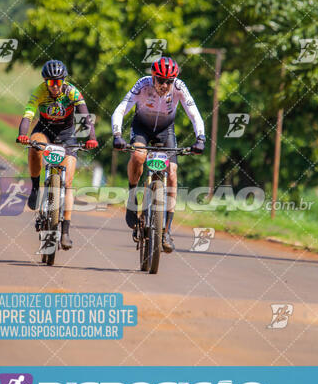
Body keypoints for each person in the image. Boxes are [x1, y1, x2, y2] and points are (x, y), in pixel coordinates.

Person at [111, 56, 205, 252]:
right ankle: (131, 197)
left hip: (165, 131)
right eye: (161, 80)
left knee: (172, 172)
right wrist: (117, 134)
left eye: (168, 81)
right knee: (138, 156)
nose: (164, 85)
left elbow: (194, 113)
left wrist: (201, 138)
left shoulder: (179, 87)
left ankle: (166, 231)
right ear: (153, 77)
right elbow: (121, 109)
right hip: (142, 129)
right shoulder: (142, 85)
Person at [16, 60, 98, 249]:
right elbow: (28, 115)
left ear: (63, 80)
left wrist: (90, 137)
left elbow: (84, 116)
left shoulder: (72, 92)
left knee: (67, 183)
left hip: (67, 134)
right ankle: (36, 187)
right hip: (44, 130)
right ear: (45, 82)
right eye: (50, 82)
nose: (54, 86)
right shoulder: (39, 91)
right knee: (35, 145)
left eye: (58, 82)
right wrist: (22, 134)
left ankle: (66, 231)